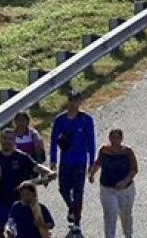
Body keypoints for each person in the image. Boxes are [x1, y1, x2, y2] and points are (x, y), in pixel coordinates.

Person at [0, 129, 54, 238]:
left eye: (10, 139)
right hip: (0, 203)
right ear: (0, 139)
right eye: (5, 138)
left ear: (15, 140)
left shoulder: (21, 157)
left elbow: (36, 167)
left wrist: (49, 172)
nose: (7, 141)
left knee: (24, 231)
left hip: (21, 202)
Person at [50, 90, 97, 229]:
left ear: (80, 101)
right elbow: (53, 141)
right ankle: (71, 207)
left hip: (80, 161)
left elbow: (91, 141)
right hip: (65, 161)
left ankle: (77, 220)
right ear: (67, 100)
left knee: (78, 191)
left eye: (76, 100)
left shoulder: (86, 119)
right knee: (63, 188)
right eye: (71, 99)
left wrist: (91, 161)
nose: (73, 103)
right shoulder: (60, 120)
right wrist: (53, 159)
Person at [88, 130, 137, 238]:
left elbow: (134, 169)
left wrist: (125, 181)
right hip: (107, 189)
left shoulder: (128, 151)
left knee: (126, 214)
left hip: (126, 190)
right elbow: (98, 163)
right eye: (112, 137)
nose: (115, 140)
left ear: (121, 138)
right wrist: (92, 174)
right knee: (110, 214)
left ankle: (128, 235)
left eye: (117, 138)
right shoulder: (104, 150)